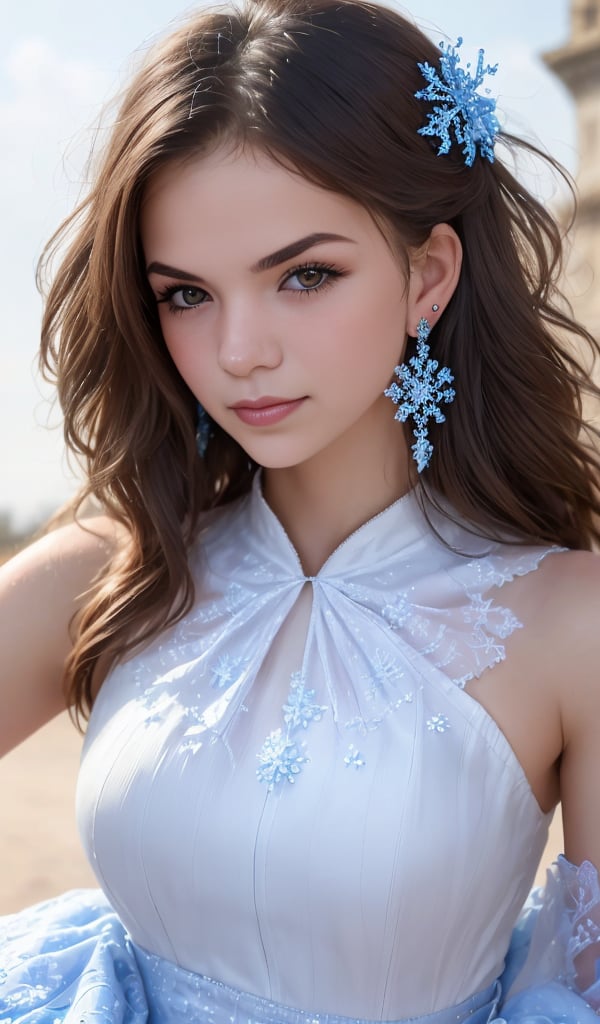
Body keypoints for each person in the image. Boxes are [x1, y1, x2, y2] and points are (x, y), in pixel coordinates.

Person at [1, 0, 600, 1020]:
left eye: (305, 276)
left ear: (429, 274)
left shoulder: (572, 622)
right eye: (185, 293)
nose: (239, 351)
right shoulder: (114, 565)